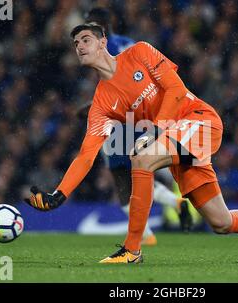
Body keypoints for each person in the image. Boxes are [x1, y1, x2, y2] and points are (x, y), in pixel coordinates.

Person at [25, 23, 238, 264]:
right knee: (221, 222)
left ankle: (131, 250)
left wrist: (155, 131)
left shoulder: (140, 52)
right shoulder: (100, 104)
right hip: (176, 141)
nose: (80, 47)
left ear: (103, 42)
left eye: (86, 40)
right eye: (75, 44)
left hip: (199, 121)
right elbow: (86, 155)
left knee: (142, 157)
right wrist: (58, 195)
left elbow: (177, 90)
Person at [84, 8, 193, 244]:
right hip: (142, 115)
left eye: (88, 28)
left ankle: (144, 235)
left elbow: (114, 89)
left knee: (121, 178)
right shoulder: (128, 43)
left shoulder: (104, 49)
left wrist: (92, 109)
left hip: (121, 119)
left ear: (100, 26)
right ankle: (173, 204)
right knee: (135, 173)